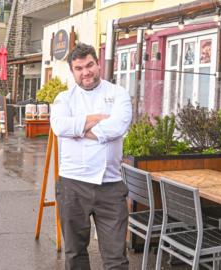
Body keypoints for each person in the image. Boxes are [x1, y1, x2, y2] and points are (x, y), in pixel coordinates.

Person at [50, 43, 132, 269]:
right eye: (79, 68)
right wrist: (96, 118)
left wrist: (78, 130)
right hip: (72, 185)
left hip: (111, 185)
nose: (86, 72)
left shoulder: (118, 93)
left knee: (116, 257)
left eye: (90, 65)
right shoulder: (64, 98)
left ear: (98, 64)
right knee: (75, 254)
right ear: (72, 71)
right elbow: (59, 126)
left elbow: (118, 126)